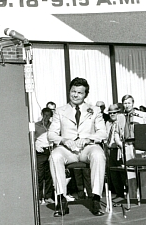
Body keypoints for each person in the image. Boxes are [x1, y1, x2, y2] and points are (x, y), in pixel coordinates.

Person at [48, 77, 107, 217]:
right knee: (55, 156)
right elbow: (51, 134)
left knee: (98, 155)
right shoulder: (60, 111)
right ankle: (61, 199)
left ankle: (96, 198)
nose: (75, 95)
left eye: (79, 93)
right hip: (68, 150)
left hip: (87, 148)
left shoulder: (95, 110)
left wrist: (88, 139)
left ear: (85, 94)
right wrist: (63, 140)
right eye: (73, 91)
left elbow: (103, 133)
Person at [104, 104, 126, 203]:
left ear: (118, 112)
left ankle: (125, 194)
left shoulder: (121, 121)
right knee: (113, 174)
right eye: (110, 113)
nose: (112, 115)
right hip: (110, 150)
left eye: (114, 113)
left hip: (119, 149)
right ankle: (119, 194)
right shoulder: (108, 123)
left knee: (122, 172)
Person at [34, 107, 54, 204]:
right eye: (45, 115)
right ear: (42, 114)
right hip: (40, 152)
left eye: (49, 115)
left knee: (49, 175)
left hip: (50, 151)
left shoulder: (52, 126)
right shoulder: (36, 126)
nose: (47, 117)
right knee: (40, 175)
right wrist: (35, 146)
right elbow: (32, 139)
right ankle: (38, 197)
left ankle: (48, 196)